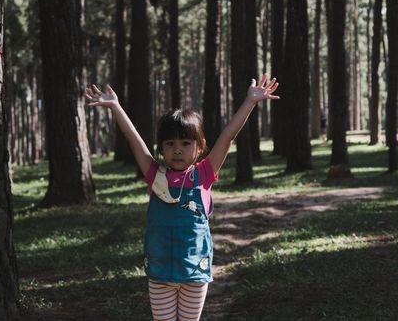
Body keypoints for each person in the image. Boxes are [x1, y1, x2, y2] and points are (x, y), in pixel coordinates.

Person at [85, 73, 279, 321]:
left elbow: (228, 137)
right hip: (160, 273)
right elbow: (134, 140)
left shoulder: (205, 173)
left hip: (194, 275)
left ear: (200, 147)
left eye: (186, 143)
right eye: (170, 143)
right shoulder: (154, 173)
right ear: (161, 147)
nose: (177, 149)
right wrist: (115, 106)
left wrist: (249, 102)